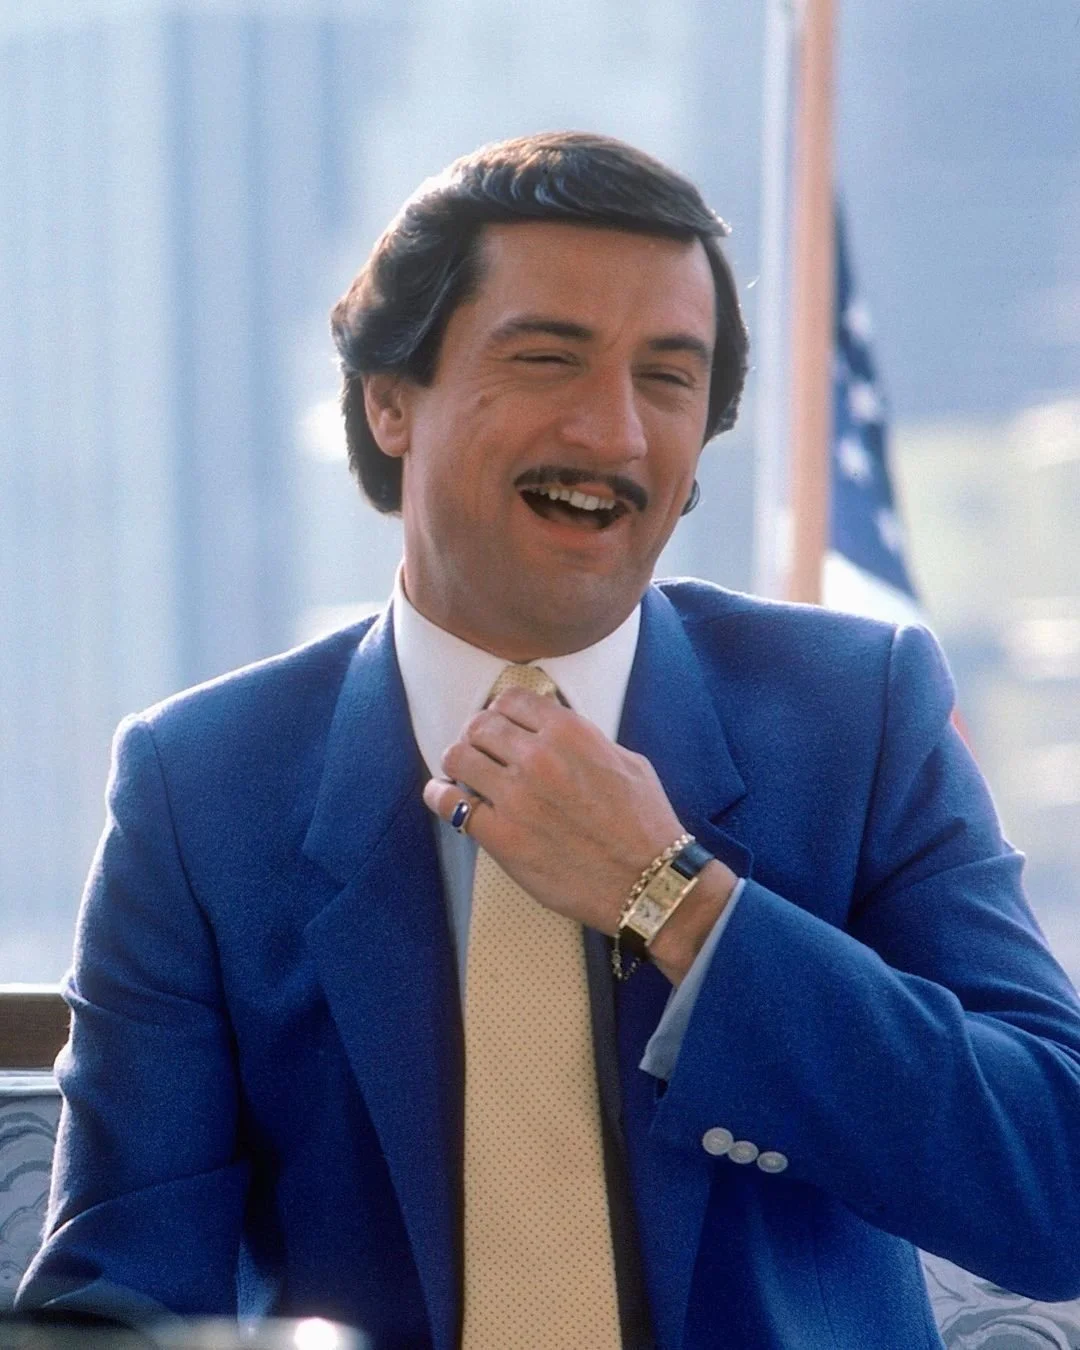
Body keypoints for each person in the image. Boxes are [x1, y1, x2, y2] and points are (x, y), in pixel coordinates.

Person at [16, 132, 1080, 1349]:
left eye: (667, 378)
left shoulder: (858, 712)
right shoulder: (199, 785)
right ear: (389, 399)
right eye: (547, 358)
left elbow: (1055, 1181)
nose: (614, 432)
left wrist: (676, 900)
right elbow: (120, 1295)